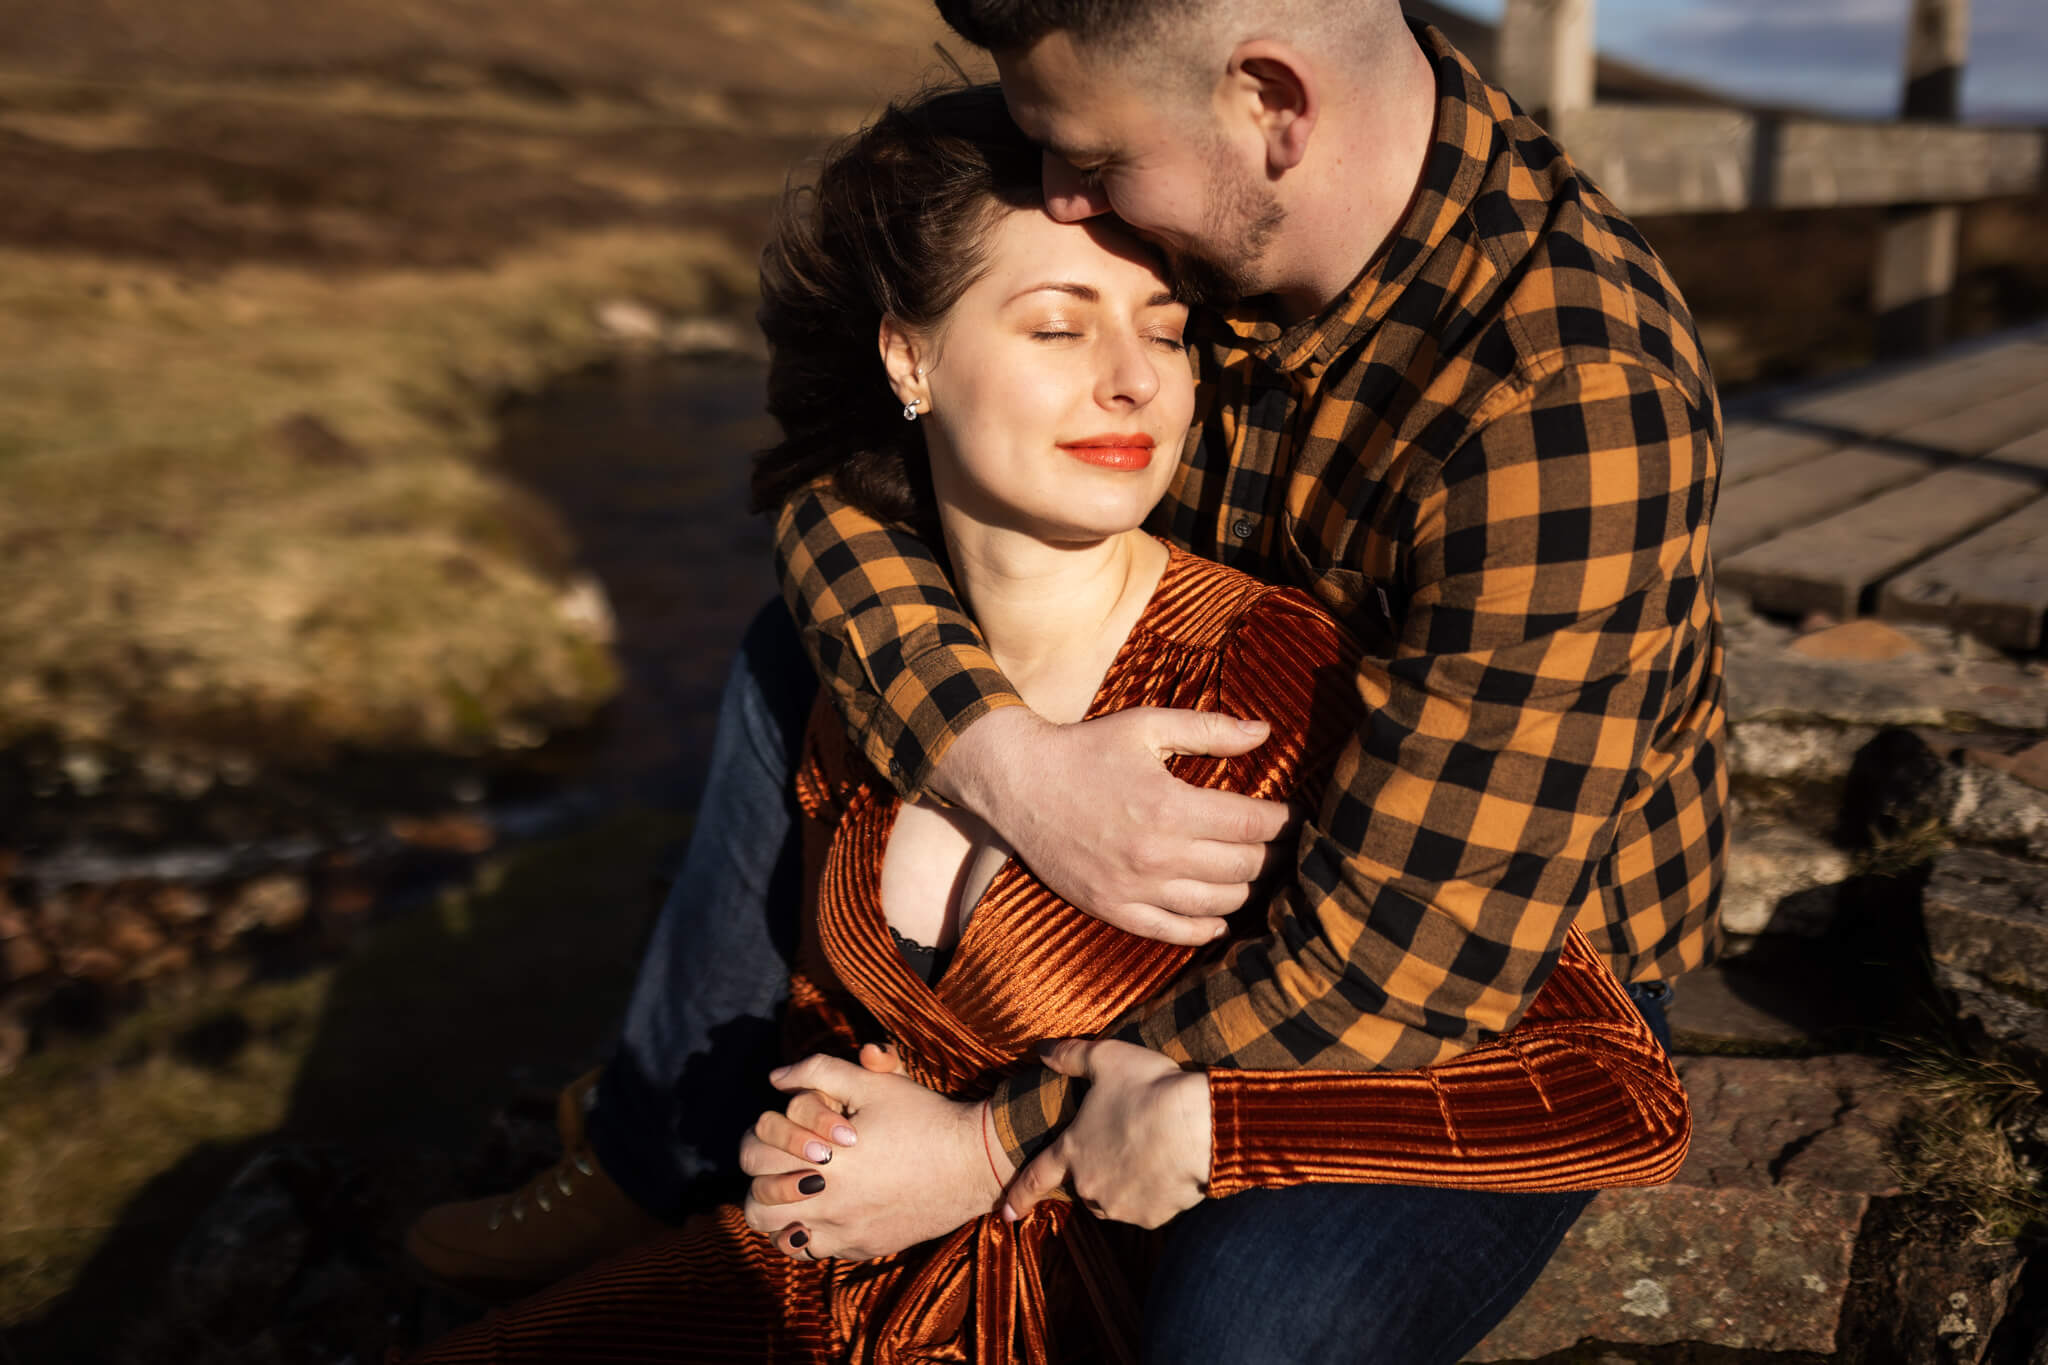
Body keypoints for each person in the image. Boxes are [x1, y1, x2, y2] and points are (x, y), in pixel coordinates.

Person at [408, 0, 1726, 1354]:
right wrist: (987, 748)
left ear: (1272, 106)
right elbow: (838, 474)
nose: (1061, 190)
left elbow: (1401, 972)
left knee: (1252, 1326)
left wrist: (986, 1144)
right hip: (1177, 786)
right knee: (789, 650)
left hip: (1486, 976)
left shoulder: (1567, 397)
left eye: (1088, 158)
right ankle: (657, 1155)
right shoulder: (1192, 193)